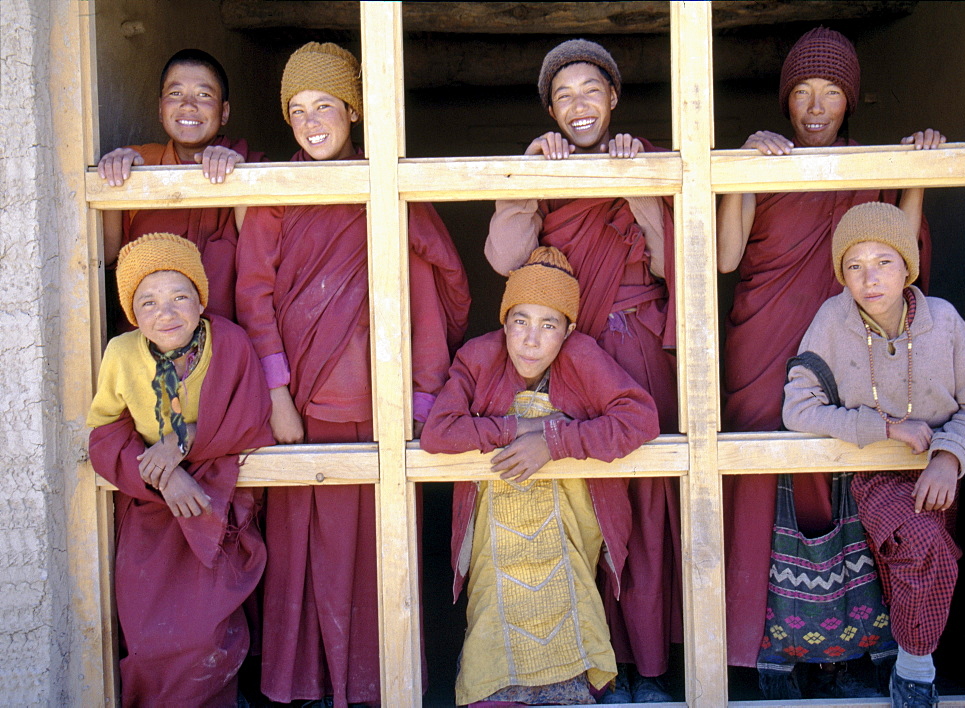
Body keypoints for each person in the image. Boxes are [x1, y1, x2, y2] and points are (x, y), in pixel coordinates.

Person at [235, 42, 470, 706]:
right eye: (299, 110)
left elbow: (434, 288)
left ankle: (376, 686)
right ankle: (304, 686)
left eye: (327, 106)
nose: (313, 123)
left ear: (354, 112)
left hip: (382, 404)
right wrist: (277, 395)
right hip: (302, 407)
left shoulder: (387, 184)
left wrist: (423, 399)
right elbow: (253, 296)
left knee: (380, 554)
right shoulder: (277, 190)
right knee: (303, 554)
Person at [715, 26, 948, 680]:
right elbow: (729, 258)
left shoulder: (869, 167)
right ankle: (757, 653)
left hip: (849, 352)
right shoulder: (766, 161)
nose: (816, 108)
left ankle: (852, 650)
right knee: (761, 480)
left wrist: (915, 172)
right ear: (785, 101)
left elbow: (909, 264)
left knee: (854, 477)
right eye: (803, 93)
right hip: (763, 348)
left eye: (832, 94)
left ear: (851, 102)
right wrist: (740, 172)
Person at [484, 38, 680, 703]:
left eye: (591, 90)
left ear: (615, 98)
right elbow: (506, 258)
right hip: (567, 358)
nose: (579, 105)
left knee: (645, 503)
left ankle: (651, 668)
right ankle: (586, 666)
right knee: (580, 505)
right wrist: (527, 174)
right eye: (564, 95)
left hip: (635, 350)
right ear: (550, 109)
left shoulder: (646, 159)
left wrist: (642, 181)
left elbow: (674, 260)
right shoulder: (544, 168)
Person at [421, 246, 660, 706]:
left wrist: (553, 443)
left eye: (549, 325)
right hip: (497, 541)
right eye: (520, 321)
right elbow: (438, 433)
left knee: (571, 603)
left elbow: (640, 419)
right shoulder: (479, 357)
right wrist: (515, 429)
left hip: (566, 531)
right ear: (504, 321)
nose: (531, 340)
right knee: (494, 611)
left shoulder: (582, 356)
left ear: (568, 331)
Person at [783, 201, 965, 707]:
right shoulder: (833, 321)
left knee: (938, 559)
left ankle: (923, 659)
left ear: (908, 266)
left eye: (884, 262)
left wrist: (948, 456)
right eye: (854, 267)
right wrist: (883, 427)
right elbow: (798, 407)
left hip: (944, 471)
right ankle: (916, 672)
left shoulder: (943, 321)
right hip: (876, 474)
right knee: (924, 541)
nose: (869, 278)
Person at [87, 232, 274, 706]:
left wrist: (181, 439)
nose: (165, 313)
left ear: (200, 300)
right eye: (147, 302)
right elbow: (105, 432)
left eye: (179, 297)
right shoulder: (120, 353)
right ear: (131, 311)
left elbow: (250, 417)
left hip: (214, 509)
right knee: (149, 640)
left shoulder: (228, 342)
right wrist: (166, 474)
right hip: (151, 512)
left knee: (207, 638)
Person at [98, 49, 265, 324]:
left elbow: (260, 252)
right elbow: (103, 256)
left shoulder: (249, 164)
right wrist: (114, 179)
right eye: (176, 94)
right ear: (160, 109)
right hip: (148, 344)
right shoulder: (138, 165)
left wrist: (241, 177)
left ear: (224, 112)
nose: (188, 105)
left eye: (204, 95)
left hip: (225, 343)